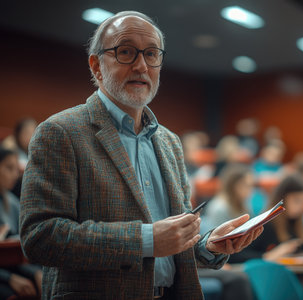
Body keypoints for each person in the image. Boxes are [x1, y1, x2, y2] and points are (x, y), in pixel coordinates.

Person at [19, 11, 263, 299]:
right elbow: (40, 238)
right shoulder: (60, 132)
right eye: (125, 52)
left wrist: (209, 246)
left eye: (151, 54)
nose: (141, 65)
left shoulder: (170, 143)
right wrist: (145, 240)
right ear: (96, 66)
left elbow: (171, 248)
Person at [0, 147, 42, 299]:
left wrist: (36, 272)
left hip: (14, 266)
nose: (15, 175)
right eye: (8, 168)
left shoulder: (12, 202)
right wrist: (10, 278)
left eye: (16, 169)